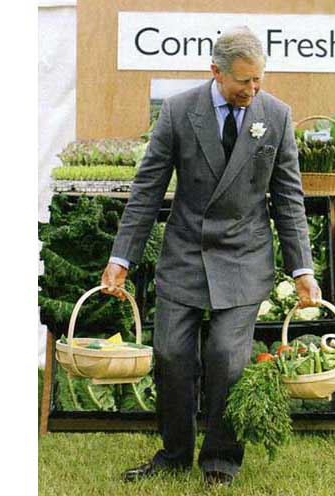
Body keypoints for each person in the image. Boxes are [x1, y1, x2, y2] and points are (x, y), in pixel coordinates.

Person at [101, 26, 322, 487]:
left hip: (244, 255)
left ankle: (220, 460)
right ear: (215, 72)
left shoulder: (275, 116)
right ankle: (175, 453)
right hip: (185, 251)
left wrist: (302, 269)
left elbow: (288, 198)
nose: (253, 90)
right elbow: (148, 190)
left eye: (259, 79)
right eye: (244, 81)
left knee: (225, 356)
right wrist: (122, 258)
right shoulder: (180, 111)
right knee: (171, 354)